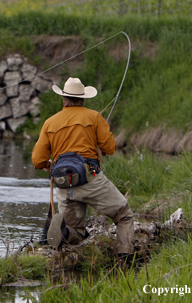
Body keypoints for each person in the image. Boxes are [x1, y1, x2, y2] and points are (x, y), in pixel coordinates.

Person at [31, 77, 135, 260]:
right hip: (91, 178)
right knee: (124, 216)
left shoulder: (50, 122)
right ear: (83, 99)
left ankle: (63, 231)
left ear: (63, 100)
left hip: (64, 183)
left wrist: (48, 165)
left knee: (75, 233)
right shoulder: (94, 117)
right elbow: (110, 148)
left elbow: (37, 160)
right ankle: (125, 259)